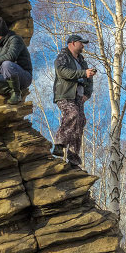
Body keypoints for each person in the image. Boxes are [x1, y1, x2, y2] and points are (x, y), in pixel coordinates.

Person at [52, 34, 96, 167]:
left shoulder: (82, 61)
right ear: (72, 43)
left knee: (80, 121)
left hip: (79, 96)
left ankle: (73, 159)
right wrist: (83, 73)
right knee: (73, 114)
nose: (83, 45)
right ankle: (59, 144)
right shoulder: (63, 56)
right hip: (65, 94)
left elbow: (89, 79)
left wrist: (87, 94)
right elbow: (61, 72)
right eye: (81, 43)